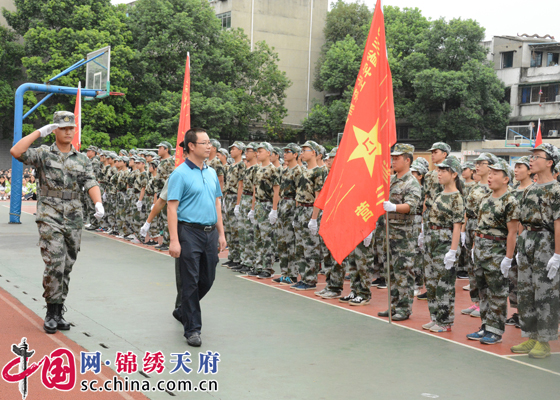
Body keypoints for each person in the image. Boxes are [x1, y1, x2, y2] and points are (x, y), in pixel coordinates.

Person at [10, 111, 104, 334]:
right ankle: (51, 311)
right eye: (63, 128)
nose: (69, 131)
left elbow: (90, 181)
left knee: (67, 264)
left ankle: (59, 309)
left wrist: (98, 203)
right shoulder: (43, 154)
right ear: (55, 130)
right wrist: (39, 132)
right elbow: (16, 151)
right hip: (49, 215)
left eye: (72, 128)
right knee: (54, 261)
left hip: (73, 217)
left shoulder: (82, 159)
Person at [167, 127, 226, 347]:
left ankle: (183, 309)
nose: (210, 146)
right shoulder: (180, 174)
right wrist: (174, 240)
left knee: (207, 279)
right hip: (188, 232)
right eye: (205, 143)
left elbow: (217, 202)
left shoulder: (211, 172)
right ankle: (192, 329)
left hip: (210, 233)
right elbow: (172, 208)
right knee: (190, 282)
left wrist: (221, 233)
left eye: (210, 143)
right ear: (191, 146)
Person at [511, 143, 560, 359]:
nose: (532, 160)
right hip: (527, 240)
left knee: (545, 292)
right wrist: (518, 248)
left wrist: (557, 255)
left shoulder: (557, 190)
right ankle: (531, 335)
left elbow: (558, 224)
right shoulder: (529, 189)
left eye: (537, 157)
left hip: (545, 241)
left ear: (550, 162)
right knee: (526, 291)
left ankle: (544, 340)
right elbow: (521, 221)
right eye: (531, 157)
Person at [466, 160, 519, 344]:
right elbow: (479, 226)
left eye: (495, 173)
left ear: (506, 179)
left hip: (497, 251)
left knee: (497, 292)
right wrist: (474, 248)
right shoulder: (485, 199)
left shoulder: (510, 201)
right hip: (481, 250)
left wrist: (508, 258)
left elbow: (513, 232)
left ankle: (496, 330)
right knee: (483, 291)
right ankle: (485, 326)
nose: (490, 177)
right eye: (489, 173)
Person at [378, 144, 421, 318]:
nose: (393, 161)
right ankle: (394, 305)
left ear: (407, 160)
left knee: (404, 272)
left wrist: (393, 207)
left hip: (404, 236)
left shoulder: (412, 182)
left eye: (397, 158)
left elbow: (411, 206)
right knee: (391, 273)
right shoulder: (391, 180)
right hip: (389, 233)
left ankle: (404, 308)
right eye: (393, 158)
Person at [423, 155, 464, 332]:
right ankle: (435, 317)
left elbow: (457, 226)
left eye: (443, 170)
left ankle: (445, 320)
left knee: (444, 285)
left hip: (445, 242)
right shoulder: (440, 194)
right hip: (432, 240)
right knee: (431, 283)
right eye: (438, 170)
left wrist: (453, 251)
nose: (439, 173)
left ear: (454, 174)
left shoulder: (456, 198)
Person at [462, 153, 499, 318]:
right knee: (472, 268)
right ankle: (475, 301)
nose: (477, 166)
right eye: (476, 163)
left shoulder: (492, 188)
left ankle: (486, 304)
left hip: (483, 230)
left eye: (481, 163)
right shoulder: (475, 187)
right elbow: (466, 211)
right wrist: (463, 230)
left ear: (490, 165)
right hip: (470, 227)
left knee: (483, 269)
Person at [292, 141, 326, 291]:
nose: (302, 152)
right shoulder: (302, 171)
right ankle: (303, 276)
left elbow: (319, 195)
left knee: (310, 247)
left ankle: (310, 279)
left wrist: (314, 218)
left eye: (305, 150)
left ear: (313, 152)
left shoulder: (319, 171)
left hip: (311, 209)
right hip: (300, 210)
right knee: (299, 247)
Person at [418, 142, 451, 300]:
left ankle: (440, 292)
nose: (432, 155)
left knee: (441, 260)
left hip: (443, 222)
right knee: (428, 258)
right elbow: (426, 198)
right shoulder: (430, 175)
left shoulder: (450, 174)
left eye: (435, 152)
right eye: (431, 152)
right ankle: (430, 289)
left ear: (445, 154)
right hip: (429, 219)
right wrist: (422, 226)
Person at [506, 156, 533, 328]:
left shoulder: (532, 190)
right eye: (515, 167)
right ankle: (517, 312)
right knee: (513, 278)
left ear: (529, 170)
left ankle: (527, 314)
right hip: (511, 240)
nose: (516, 170)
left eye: (520, 167)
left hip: (525, 240)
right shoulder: (513, 190)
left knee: (526, 279)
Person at [271, 143, 302, 285]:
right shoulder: (283, 171)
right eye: (285, 151)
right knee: (282, 242)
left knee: (291, 243)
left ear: (295, 154)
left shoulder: (298, 171)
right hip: (283, 205)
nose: (285, 154)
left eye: (288, 152)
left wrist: (296, 214)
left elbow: (299, 193)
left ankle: (293, 274)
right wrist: (275, 209)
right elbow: (278, 192)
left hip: (292, 206)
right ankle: (284, 273)